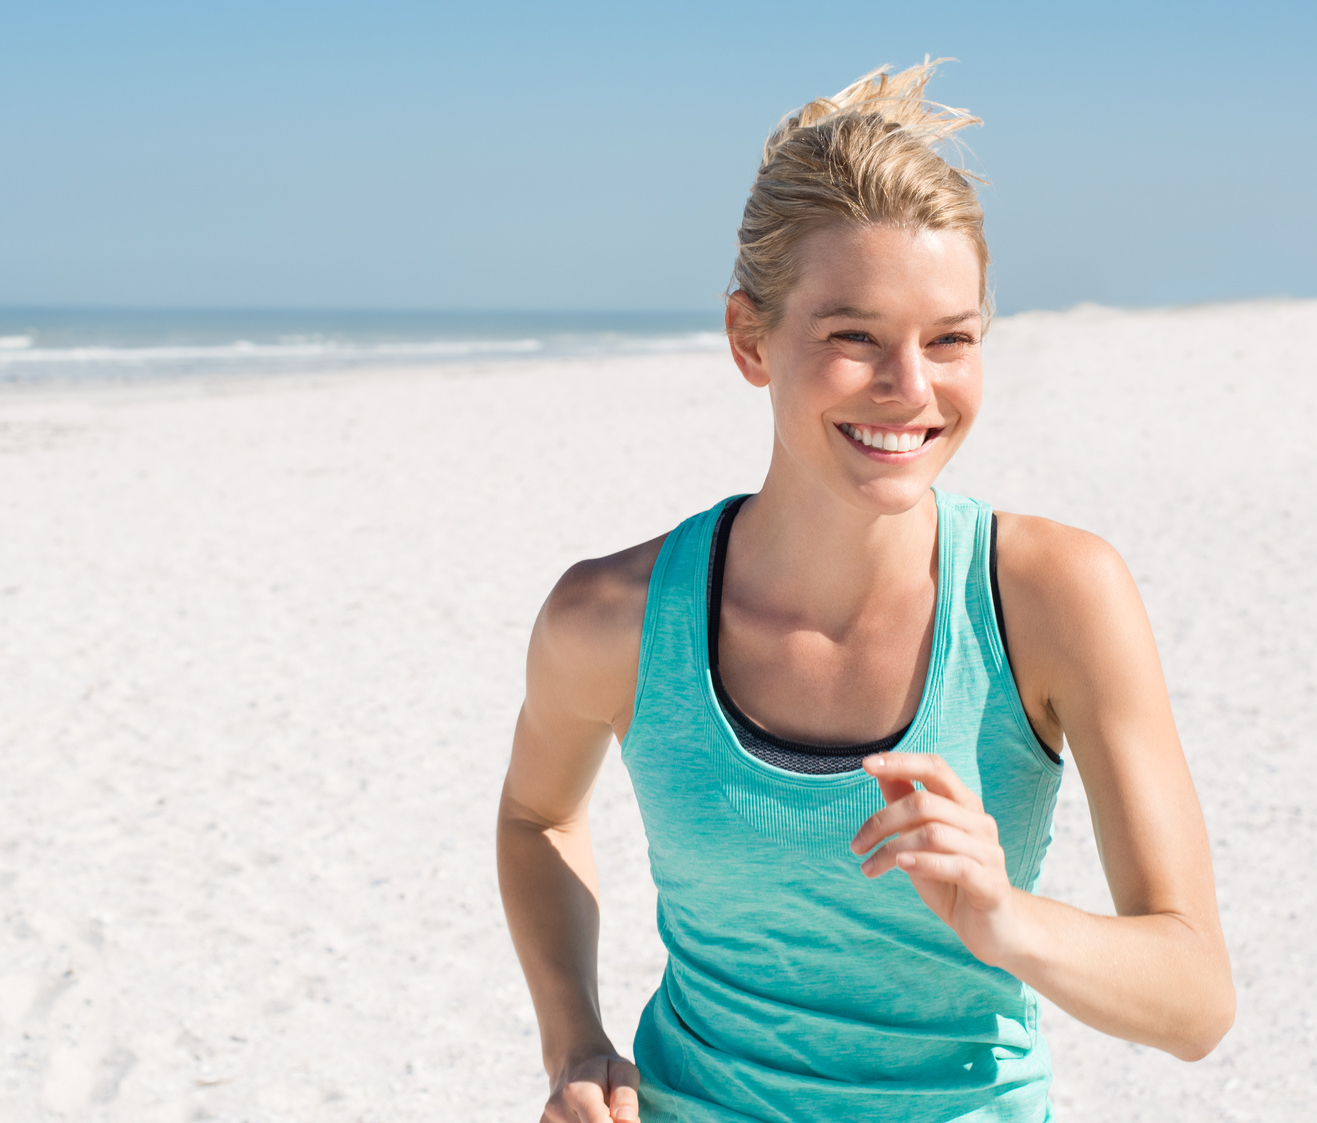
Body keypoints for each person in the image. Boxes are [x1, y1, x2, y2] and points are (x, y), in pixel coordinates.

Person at [497, 60, 1234, 1123]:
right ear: (750, 339)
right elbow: (534, 815)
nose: (911, 388)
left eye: (951, 339)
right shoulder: (611, 616)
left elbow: (1196, 1001)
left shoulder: (1053, 598)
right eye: (854, 338)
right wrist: (575, 1040)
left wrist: (1002, 916)